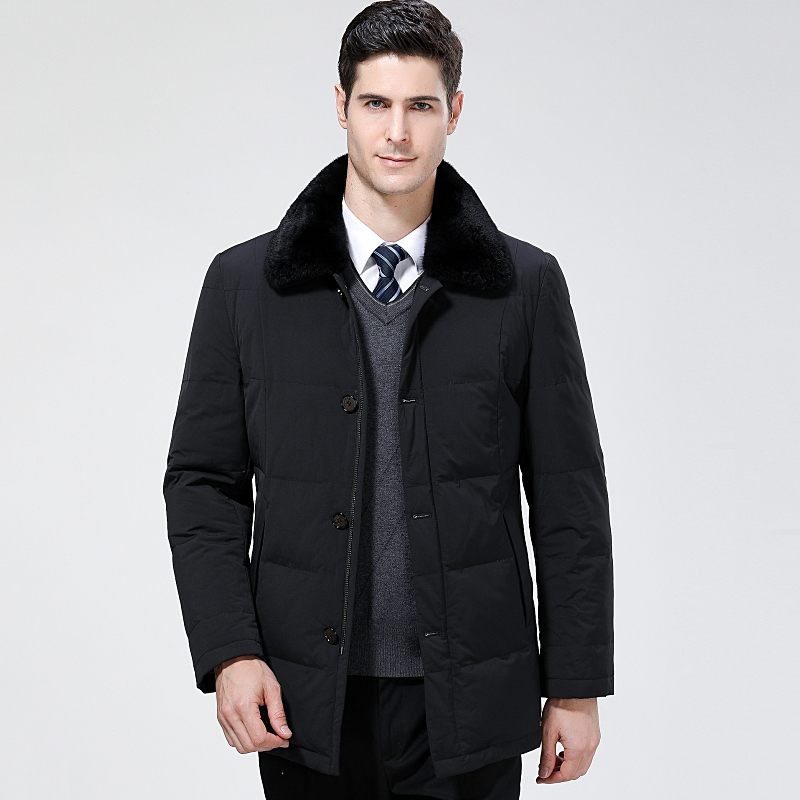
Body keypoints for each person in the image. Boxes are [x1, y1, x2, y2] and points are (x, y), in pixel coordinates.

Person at [163, 1, 614, 797]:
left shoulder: (525, 286)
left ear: (454, 112)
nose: (397, 133)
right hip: (305, 702)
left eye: (421, 106)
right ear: (341, 106)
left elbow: (568, 494)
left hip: (469, 703)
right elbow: (203, 484)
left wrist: (575, 688)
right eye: (376, 103)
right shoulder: (243, 287)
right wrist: (231, 652)